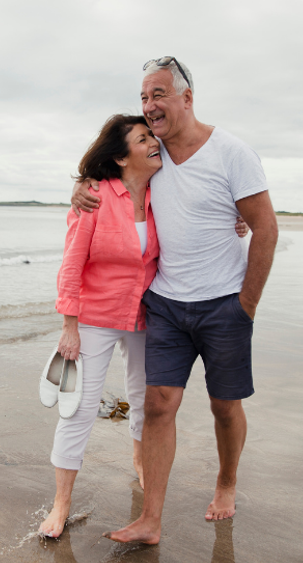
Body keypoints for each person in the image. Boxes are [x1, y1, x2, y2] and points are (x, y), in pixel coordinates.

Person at [71, 57, 277, 545]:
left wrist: (246, 305)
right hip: (164, 302)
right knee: (159, 405)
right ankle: (151, 521)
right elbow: (107, 171)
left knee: (225, 407)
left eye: (158, 94)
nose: (150, 106)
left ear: (187, 97)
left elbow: (265, 227)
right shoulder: (151, 154)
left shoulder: (232, 153)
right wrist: (81, 187)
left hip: (225, 304)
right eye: (144, 97)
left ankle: (226, 483)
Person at [38, 114, 161, 539]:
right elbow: (72, 264)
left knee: (146, 402)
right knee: (80, 409)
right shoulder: (94, 197)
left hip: (146, 316)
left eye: (151, 136)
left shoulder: (164, 192)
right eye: (143, 139)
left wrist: (236, 222)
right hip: (95, 317)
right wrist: (69, 325)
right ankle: (61, 504)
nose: (153, 143)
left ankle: (141, 463)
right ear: (122, 158)